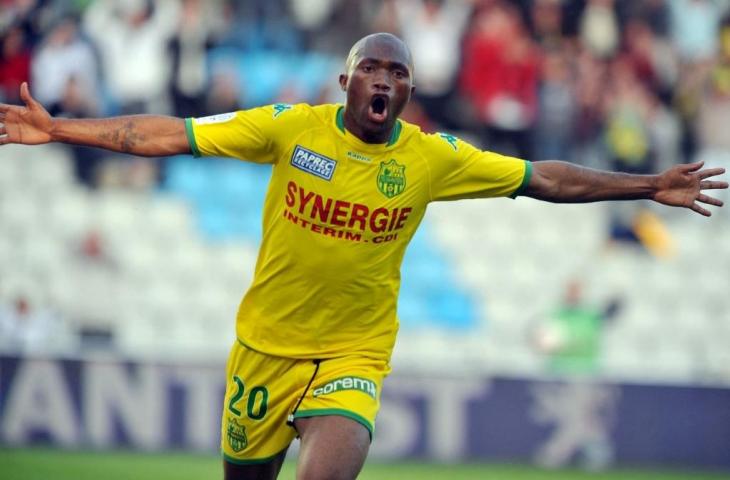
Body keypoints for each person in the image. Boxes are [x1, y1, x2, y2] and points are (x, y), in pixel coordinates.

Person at [0, 32, 726, 480]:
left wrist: (646, 184)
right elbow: (168, 134)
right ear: (346, 82)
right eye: (371, 68)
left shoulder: (432, 158)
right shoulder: (290, 130)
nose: (384, 79)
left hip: (354, 353)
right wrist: (61, 130)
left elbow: (545, 179)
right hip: (264, 349)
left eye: (398, 72)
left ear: (408, 91)